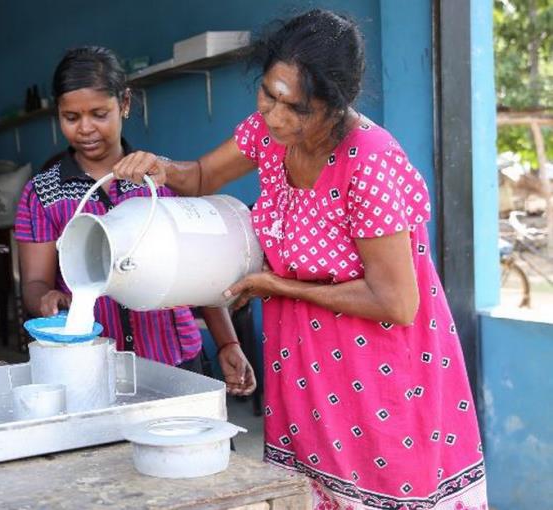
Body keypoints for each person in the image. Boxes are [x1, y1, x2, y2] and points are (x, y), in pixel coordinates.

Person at [112, 10, 487, 509]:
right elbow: (201, 175)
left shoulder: (369, 161)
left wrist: (278, 287)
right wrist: (159, 167)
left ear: (337, 105)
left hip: (378, 371)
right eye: (269, 93)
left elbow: (396, 301)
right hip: (304, 363)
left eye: (298, 108)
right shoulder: (269, 133)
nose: (276, 116)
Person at [14, 46, 256, 395]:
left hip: (176, 359)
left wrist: (227, 344)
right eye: (71, 117)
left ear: (124, 104)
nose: (86, 129)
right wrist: (45, 299)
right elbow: (34, 282)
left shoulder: (162, 178)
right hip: (94, 371)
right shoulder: (43, 194)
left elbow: (198, 271)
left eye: (99, 113)